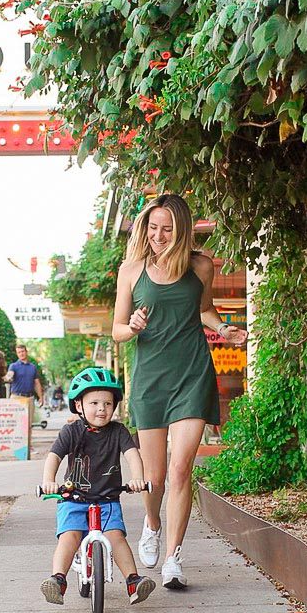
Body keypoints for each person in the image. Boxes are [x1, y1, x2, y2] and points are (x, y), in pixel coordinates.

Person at [112, 193, 248, 590]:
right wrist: (133, 326)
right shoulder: (131, 271)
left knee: (180, 468)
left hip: (192, 372)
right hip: (151, 377)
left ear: (182, 230)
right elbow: (117, 331)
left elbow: (205, 309)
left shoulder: (201, 266)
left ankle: (173, 557)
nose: (158, 235)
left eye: (167, 229)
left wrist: (223, 330)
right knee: (154, 476)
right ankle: (152, 523)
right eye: (153, 227)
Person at [39, 367, 156, 606]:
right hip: (74, 499)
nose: (102, 409)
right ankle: (58, 580)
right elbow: (54, 456)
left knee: (116, 537)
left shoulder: (119, 431)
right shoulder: (71, 431)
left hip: (108, 499)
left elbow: (133, 455)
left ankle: (133, 581)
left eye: (108, 404)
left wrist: (137, 478)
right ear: (79, 405)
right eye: (94, 403)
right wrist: (49, 481)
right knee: (69, 536)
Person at [7, 344, 43, 425]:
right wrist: (8, 377)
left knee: (28, 424)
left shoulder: (32, 367)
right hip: (17, 397)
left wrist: (40, 397)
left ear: (26, 352)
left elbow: (37, 383)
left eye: (22, 351)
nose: (21, 354)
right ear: (17, 354)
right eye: (19, 352)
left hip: (30, 398)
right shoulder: (13, 366)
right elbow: (10, 374)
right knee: (16, 423)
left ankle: (28, 438)